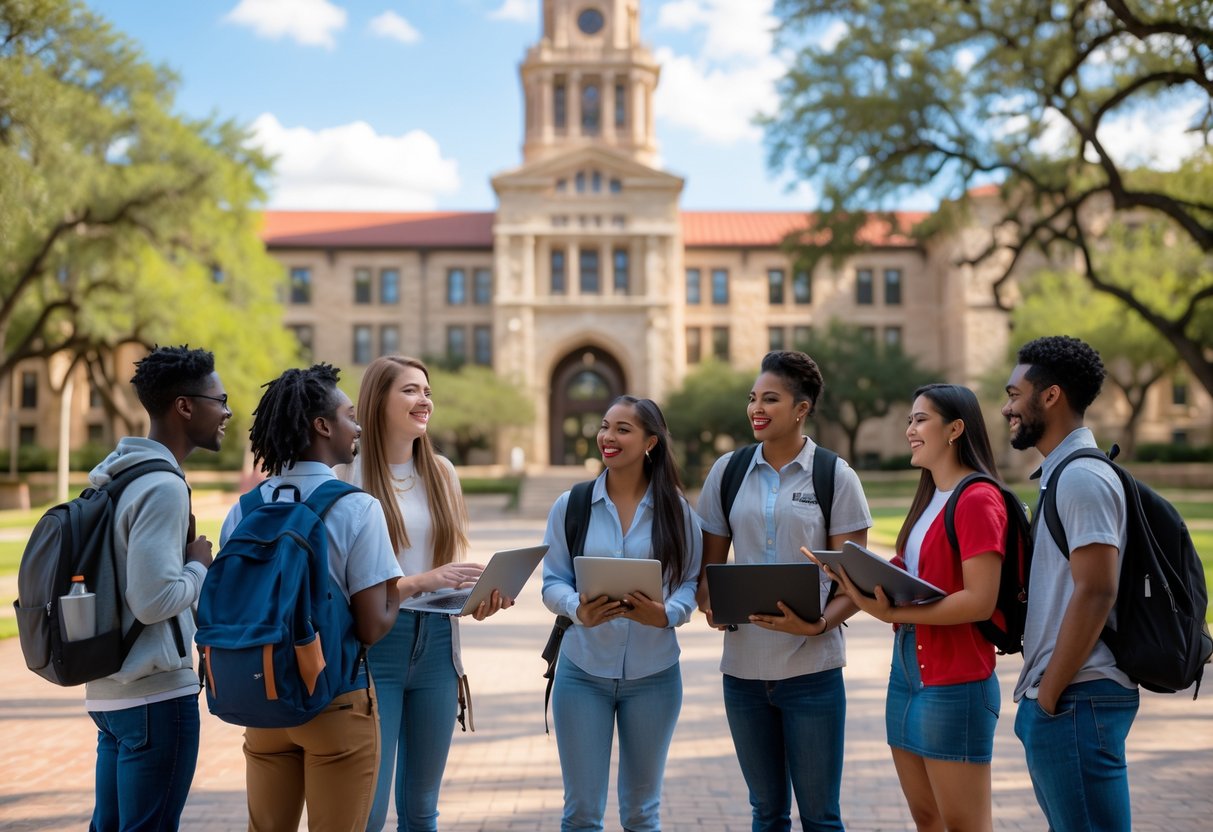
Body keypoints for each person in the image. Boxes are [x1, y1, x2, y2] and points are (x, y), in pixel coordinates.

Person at [220, 363, 403, 831]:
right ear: (322, 426)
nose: (357, 426)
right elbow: (370, 626)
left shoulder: (244, 508)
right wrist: (399, 591)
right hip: (333, 699)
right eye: (348, 415)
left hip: (262, 698)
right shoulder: (357, 506)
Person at [815, 384, 1006, 832]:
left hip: (955, 680)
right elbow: (914, 574)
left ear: (956, 429)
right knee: (927, 818)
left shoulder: (978, 498)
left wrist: (894, 614)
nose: (910, 430)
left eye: (921, 420)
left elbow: (980, 601)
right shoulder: (928, 498)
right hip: (907, 673)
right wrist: (854, 573)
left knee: (964, 824)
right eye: (909, 420)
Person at [695, 350, 873, 832]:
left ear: (801, 408)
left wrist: (817, 623)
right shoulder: (727, 472)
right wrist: (711, 605)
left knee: (820, 817)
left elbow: (854, 583)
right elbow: (707, 572)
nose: (757, 408)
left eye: (770, 399)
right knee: (766, 814)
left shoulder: (835, 476)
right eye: (753, 398)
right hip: (743, 673)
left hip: (812, 672)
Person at [335, 355, 508, 832]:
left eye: (427, 391)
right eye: (410, 390)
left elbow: (446, 571)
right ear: (378, 400)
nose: (424, 399)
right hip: (374, 647)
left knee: (421, 809)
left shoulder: (442, 472)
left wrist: (477, 600)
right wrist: (424, 582)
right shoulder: (345, 474)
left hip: (437, 646)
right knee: (367, 809)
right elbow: (339, 586)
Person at [541, 395, 703, 832]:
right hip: (582, 672)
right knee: (581, 814)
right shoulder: (571, 506)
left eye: (623, 429)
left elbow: (690, 581)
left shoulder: (679, 512)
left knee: (641, 812)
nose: (608, 437)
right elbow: (551, 580)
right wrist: (577, 608)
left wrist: (668, 614)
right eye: (605, 426)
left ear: (651, 442)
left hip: (655, 675)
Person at [84, 345, 229, 832]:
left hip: (110, 694)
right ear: (185, 406)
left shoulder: (118, 474)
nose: (227, 411)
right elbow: (151, 601)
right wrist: (199, 566)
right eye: (219, 399)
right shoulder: (163, 486)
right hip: (155, 698)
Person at [1002, 335, 1135, 832]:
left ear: (1051, 396)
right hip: (1071, 699)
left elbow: (1097, 589)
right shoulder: (1061, 474)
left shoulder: (1081, 478)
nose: (1006, 407)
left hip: (1079, 696)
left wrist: (1049, 694)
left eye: (1015, 395)